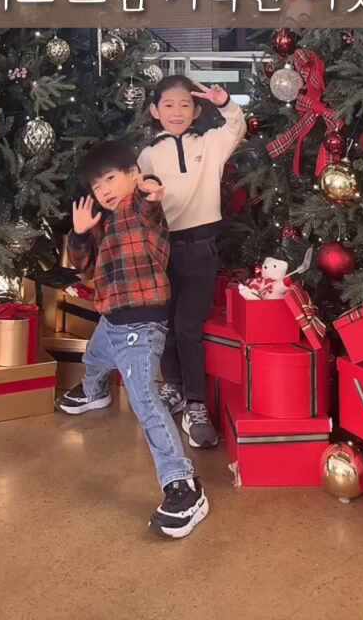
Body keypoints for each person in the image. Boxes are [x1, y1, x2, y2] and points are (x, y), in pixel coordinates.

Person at [58, 139, 209, 540]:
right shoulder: (103, 224)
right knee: (94, 357)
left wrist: (150, 189)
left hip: (141, 326)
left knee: (144, 399)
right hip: (112, 319)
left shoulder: (138, 210)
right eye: (97, 187)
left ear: (132, 175)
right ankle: (94, 392)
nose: (104, 190)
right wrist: (79, 235)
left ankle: (183, 486)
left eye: (110, 179)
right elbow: (83, 267)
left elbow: (151, 199)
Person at [137, 77, 246, 448]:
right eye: (168, 105)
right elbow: (139, 199)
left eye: (185, 104)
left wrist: (224, 102)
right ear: (155, 111)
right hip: (162, 249)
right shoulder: (148, 155)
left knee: (188, 327)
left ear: (197, 110)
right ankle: (174, 387)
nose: (177, 112)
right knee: (165, 324)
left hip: (200, 249)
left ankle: (196, 403)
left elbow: (236, 126)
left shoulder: (211, 144)